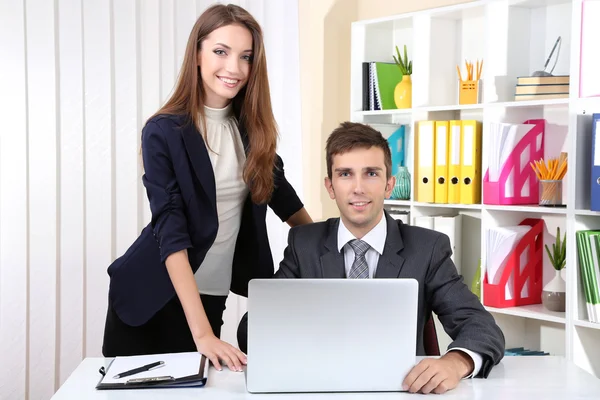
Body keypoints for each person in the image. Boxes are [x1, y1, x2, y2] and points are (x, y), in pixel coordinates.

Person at [101, 3, 312, 373]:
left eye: (245, 57)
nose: (233, 68)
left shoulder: (253, 131)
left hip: (210, 297)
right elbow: (170, 230)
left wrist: (338, 255)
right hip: (152, 298)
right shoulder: (164, 130)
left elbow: (286, 201)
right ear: (197, 53)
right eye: (220, 51)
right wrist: (202, 334)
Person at [237, 121, 505, 394]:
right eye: (345, 174)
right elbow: (251, 330)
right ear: (330, 187)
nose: (358, 188)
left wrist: (455, 362)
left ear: (389, 185)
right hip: (318, 387)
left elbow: (481, 326)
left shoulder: (427, 248)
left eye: (371, 174)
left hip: (401, 389)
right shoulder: (304, 243)